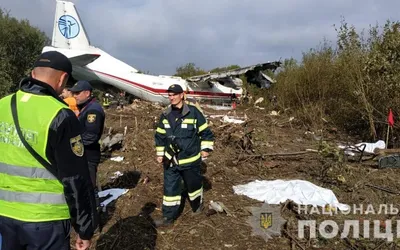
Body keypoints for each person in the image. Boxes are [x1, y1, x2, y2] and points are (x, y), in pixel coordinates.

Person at [0, 51, 98, 250]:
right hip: (45, 221)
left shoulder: (2, 105)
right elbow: (75, 178)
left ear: (32, 73)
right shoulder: (61, 114)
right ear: (62, 78)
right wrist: (84, 228)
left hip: (4, 216)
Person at [154, 84, 214, 226]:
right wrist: (160, 154)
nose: (171, 97)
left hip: (190, 159)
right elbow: (160, 136)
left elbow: (206, 133)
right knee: (170, 188)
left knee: (193, 186)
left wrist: (205, 149)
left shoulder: (193, 113)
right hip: (171, 160)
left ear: (182, 95)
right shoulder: (165, 114)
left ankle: (197, 206)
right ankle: (168, 217)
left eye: (174, 94)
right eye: (169, 95)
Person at [70, 80, 105, 190]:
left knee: (88, 188)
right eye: (73, 93)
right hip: (82, 154)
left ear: (87, 93)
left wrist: (72, 145)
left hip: (88, 155)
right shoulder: (86, 108)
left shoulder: (93, 110)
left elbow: (91, 136)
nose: (74, 96)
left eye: (77, 93)